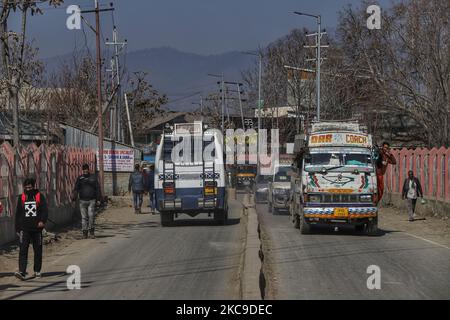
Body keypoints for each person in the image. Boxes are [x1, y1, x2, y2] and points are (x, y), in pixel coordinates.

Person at [14, 178, 48, 281]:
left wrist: (42, 221)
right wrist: (17, 228)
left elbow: (44, 210)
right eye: (26, 187)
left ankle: (37, 270)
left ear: (34, 186)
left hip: (37, 229)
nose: (28, 189)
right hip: (24, 229)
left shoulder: (39, 196)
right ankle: (22, 272)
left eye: (30, 187)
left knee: (37, 250)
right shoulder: (22, 197)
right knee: (23, 250)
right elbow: (18, 214)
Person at [73, 164, 100, 239]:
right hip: (82, 201)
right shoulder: (80, 178)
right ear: (82, 170)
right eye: (84, 169)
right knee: (84, 218)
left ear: (88, 169)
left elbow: (97, 188)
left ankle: (91, 232)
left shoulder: (93, 178)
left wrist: (98, 199)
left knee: (91, 216)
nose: (85, 170)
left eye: (86, 169)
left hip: (92, 200)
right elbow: (76, 188)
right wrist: (74, 198)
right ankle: (84, 233)